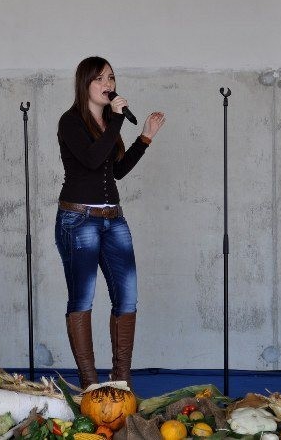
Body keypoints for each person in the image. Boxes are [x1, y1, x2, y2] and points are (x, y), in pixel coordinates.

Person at [55, 56, 165, 389]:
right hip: (79, 220)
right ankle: (90, 385)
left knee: (127, 298)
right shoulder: (71, 121)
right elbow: (91, 160)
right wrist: (116, 120)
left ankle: (121, 382)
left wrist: (144, 138)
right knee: (82, 299)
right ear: (85, 84)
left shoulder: (108, 122)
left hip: (113, 219)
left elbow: (116, 170)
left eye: (112, 78)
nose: (108, 84)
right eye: (100, 79)